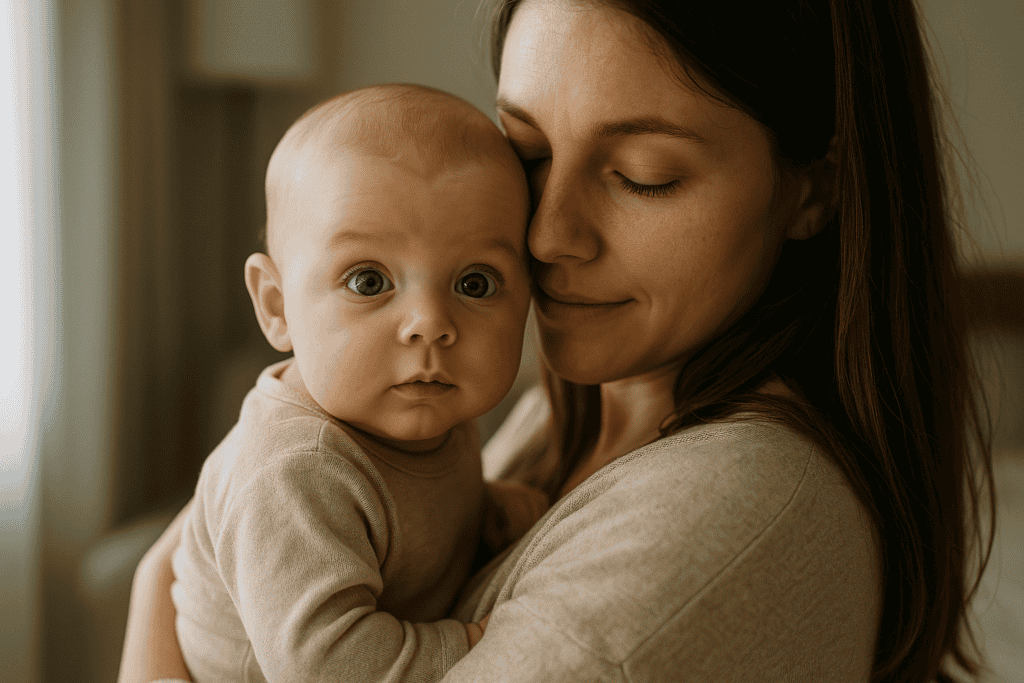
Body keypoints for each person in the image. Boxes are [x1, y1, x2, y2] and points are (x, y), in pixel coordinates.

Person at [118, 1, 997, 682]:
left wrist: (152, 612)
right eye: (530, 154)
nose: (545, 236)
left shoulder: (729, 514)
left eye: (642, 176)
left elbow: (179, 566)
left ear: (813, 190)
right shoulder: (553, 415)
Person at [162, 84, 549, 683]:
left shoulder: (429, 413)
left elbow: (401, 531)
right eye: (369, 282)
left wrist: (486, 511)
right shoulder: (294, 469)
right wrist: (474, 644)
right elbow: (322, 662)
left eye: (475, 284)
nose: (431, 325)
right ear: (277, 306)